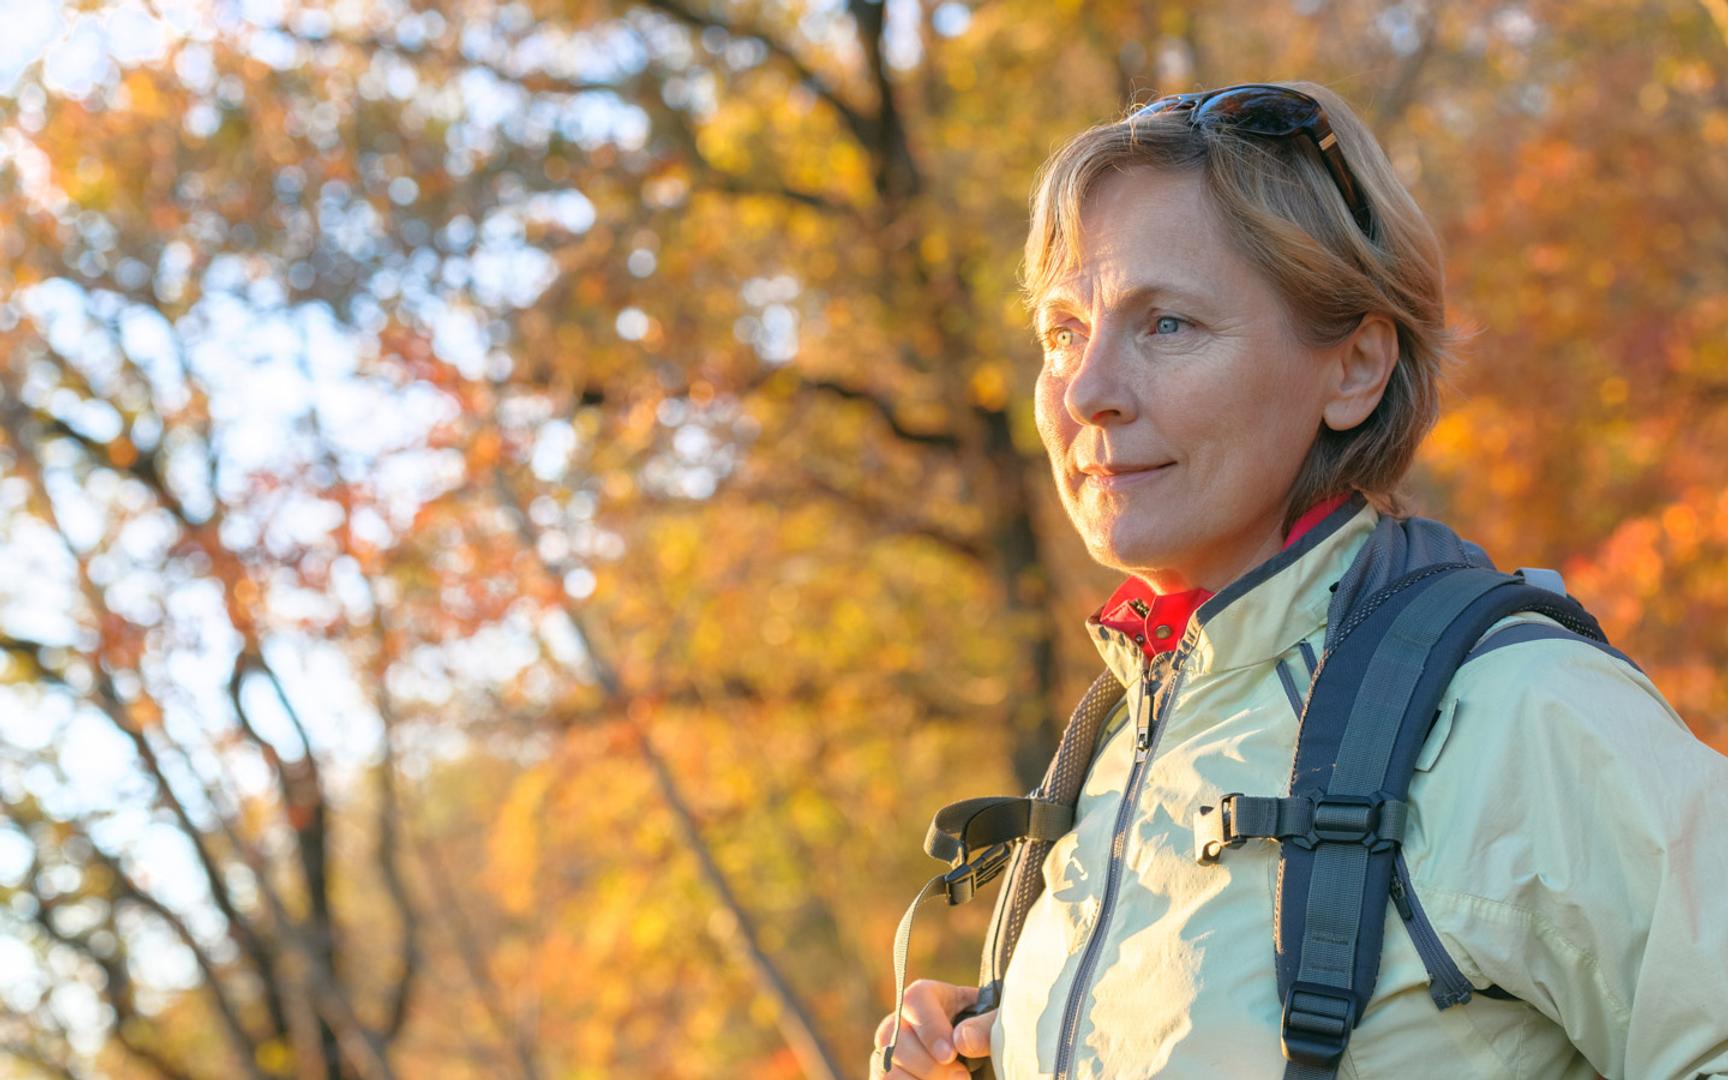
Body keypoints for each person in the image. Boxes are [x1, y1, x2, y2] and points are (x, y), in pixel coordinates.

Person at [871, 81, 1728, 1079]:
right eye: (1064, 331)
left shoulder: (1519, 716)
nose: (1089, 390)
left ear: (1356, 366)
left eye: (1169, 325)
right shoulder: (1112, 746)